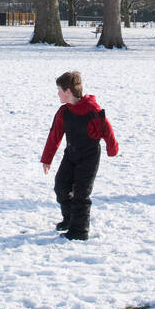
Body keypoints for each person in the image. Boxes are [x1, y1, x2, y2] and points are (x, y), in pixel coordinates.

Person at [40, 71, 118, 241]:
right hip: (70, 155)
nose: (58, 94)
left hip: (89, 157)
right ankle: (69, 219)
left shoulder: (92, 110)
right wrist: (47, 159)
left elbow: (107, 130)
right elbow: (54, 135)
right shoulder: (63, 112)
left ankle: (79, 230)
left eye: (59, 90)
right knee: (61, 186)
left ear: (68, 91)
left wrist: (112, 148)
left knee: (81, 194)